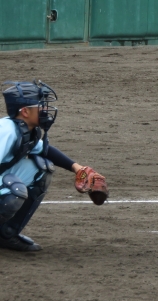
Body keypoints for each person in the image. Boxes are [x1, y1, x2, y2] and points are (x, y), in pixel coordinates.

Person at [0, 80, 108, 252]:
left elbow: (45, 150)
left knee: (42, 169)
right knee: (15, 191)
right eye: (40, 106)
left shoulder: (26, 130)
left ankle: (6, 234)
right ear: (25, 111)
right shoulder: (6, 131)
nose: (45, 110)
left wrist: (77, 168)